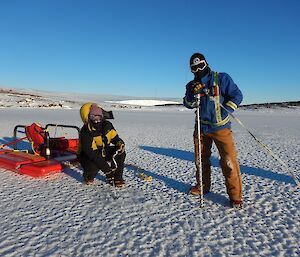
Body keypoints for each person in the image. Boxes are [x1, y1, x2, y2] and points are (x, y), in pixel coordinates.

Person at [183, 53, 243, 208]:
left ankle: (235, 196)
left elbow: (237, 95)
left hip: (221, 128)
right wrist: (193, 94)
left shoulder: (221, 78)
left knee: (228, 161)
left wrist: (225, 110)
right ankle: (203, 186)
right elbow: (188, 103)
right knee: (200, 160)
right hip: (201, 128)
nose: (198, 70)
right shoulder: (191, 85)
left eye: (201, 66)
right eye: (194, 68)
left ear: (206, 63)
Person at [78, 103, 126, 187]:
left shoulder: (107, 125)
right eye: (93, 117)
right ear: (89, 117)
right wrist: (107, 171)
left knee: (121, 153)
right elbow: (92, 153)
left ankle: (118, 178)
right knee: (94, 166)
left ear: (102, 117)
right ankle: (88, 176)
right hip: (87, 155)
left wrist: (119, 143)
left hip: (103, 150)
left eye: (98, 117)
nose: (96, 120)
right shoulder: (85, 131)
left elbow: (115, 137)